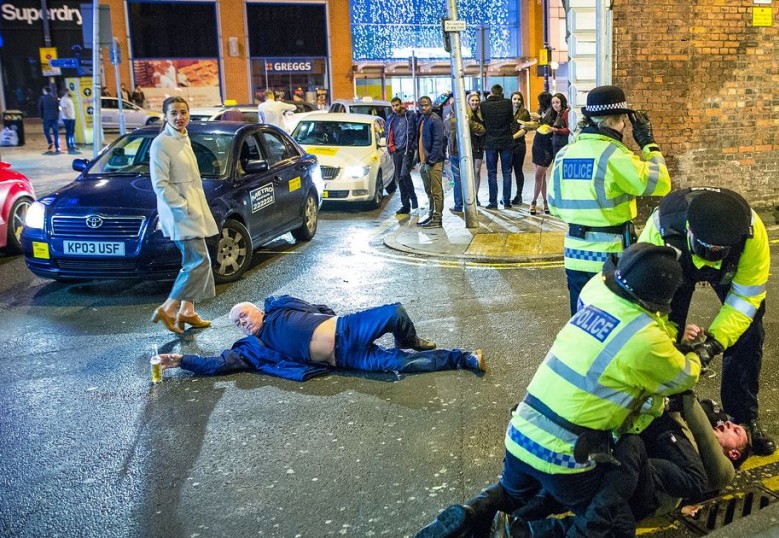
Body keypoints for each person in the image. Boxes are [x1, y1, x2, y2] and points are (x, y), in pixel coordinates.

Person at [416, 243, 703, 538]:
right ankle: (521, 533)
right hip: (565, 454)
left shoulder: (596, 295)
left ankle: (468, 514)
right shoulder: (646, 338)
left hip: (521, 432)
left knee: (513, 495)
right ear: (658, 300)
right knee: (615, 526)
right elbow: (682, 376)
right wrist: (698, 354)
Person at [636, 186, 776, 456]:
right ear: (689, 231)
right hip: (675, 266)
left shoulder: (751, 232)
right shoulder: (661, 230)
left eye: (718, 251)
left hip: (731, 271)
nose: (709, 259)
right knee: (663, 339)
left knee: (749, 336)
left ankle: (743, 420)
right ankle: (661, 417)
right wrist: (672, 335)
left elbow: (745, 300)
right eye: (706, 250)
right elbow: (648, 306)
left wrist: (713, 343)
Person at [510, 391, 750, 536]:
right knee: (593, 503)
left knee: (604, 516)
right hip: (633, 474)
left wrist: (687, 395)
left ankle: (515, 525)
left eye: (735, 430)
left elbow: (698, 424)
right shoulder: (695, 442)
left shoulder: (724, 470)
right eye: (729, 423)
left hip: (647, 492)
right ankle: (514, 520)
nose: (726, 425)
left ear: (735, 454)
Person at [548, 84, 671, 315]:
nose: (624, 126)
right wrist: (648, 144)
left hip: (574, 255)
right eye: (623, 120)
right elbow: (661, 183)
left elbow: (554, 206)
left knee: (582, 322)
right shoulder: (614, 155)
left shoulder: (564, 154)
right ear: (615, 120)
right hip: (610, 257)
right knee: (612, 323)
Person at [154, 296, 485, 380]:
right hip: (344, 359)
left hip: (346, 328)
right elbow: (215, 364)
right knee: (402, 365)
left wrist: (327, 315)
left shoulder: (278, 308)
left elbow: (315, 307)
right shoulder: (253, 348)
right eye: (237, 324)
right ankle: (463, 358)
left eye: (243, 315)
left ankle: (409, 338)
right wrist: (181, 360)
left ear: (256, 310)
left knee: (395, 312)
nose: (242, 323)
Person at [149, 96, 219, 335]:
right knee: (197, 262)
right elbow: (160, 184)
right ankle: (168, 308)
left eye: (183, 112)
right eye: (174, 113)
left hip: (191, 209)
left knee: (199, 262)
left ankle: (187, 311)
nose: (179, 117)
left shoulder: (183, 138)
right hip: (179, 213)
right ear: (165, 116)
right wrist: (182, 205)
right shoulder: (161, 143)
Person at [446, 94, 486, 214]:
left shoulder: (449, 116)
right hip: (462, 150)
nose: (475, 102)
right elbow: (480, 129)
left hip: (466, 150)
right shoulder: (461, 117)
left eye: (476, 100)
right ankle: (464, 203)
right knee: (461, 177)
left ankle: (463, 203)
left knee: (463, 177)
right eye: (472, 100)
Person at [480, 84, 516, 209]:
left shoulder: (484, 105)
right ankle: (506, 201)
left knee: (492, 173)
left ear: (491, 92)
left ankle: (493, 202)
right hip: (506, 141)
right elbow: (511, 120)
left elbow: (483, 120)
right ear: (501, 93)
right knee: (507, 172)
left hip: (491, 142)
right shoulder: (507, 103)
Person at [384, 97, 420, 214]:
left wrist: (412, 147)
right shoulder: (390, 118)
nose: (395, 108)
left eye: (397, 105)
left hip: (407, 150)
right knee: (399, 178)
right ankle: (405, 205)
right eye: (393, 106)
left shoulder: (410, 116)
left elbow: (415, 132)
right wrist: (390, 148)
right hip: (396, 151)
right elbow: (387, 133)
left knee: (404, 174)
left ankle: (413, 197)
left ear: (401, 104)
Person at [416, 95, 445, 228]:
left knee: (436, 191)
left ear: (431, 105)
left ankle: (437, 219)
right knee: (429, 192)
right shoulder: (423, 119)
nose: (424, 107)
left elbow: (438, 142)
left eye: (426, 105)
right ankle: (431, 215)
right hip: (424, 162)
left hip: (433, 162)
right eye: (421, 105)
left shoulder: (435, 120)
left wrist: (431, 160)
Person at [530, 92, 554, 215]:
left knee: (538, 176)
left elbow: (549, 125)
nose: (539, 103)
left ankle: (533, 201)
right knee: (542, 177)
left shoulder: (552, 112)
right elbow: (539, 126)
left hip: (547, 146)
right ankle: (545, 202)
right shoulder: (540, 110)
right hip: (537, 143)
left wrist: (539, 119)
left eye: (540, 100)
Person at [510, 91, 531, 206]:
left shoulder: (524, 112)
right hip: (508, 146)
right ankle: (506, 195)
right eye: (514, 99)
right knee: (507, 171)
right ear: (511, 100)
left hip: (519, 145)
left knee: (518, 170)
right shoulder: (507, 112)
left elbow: (525, 129)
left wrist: (512, 137)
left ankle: (519, 195)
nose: (516, 101)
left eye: (518, 99)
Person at [38, 87, 61, 153]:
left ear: (45, 91)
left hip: (46, 118)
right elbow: (58, 108)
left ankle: (50, 141)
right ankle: (57, 146)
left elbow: (40, 108)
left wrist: (42, 116)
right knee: (56, 133)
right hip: (54, 117)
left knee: (46, 131)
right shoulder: (55, 98)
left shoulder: (42, 99)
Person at [549, 93, 571, 160]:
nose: (555, 105)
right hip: (556, 145)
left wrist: (556, 130)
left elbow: (569, 129)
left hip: (563, 145)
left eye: (557, 102)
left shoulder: (566, 113)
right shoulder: (557, 114)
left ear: (562, 102)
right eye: (553, 103)